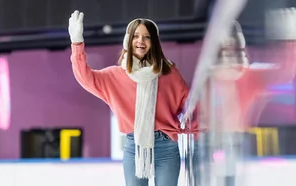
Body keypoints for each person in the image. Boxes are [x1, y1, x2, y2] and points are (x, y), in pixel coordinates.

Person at [67, 10, 198, 186]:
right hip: (134, 146)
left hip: (166, 146)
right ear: (128, 40)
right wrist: (77, 43)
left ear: (155, 42)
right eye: (136, 36)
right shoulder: (115, 76)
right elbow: (84, 76)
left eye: (147, 37)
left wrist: (198, 130)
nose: (140, 41)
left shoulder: (169, 72)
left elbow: (189, 106)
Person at [185, 7, 296, 186]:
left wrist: (289, 40)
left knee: (230, 178)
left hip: (234, 141)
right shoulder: (204, 78)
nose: (226, 55)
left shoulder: (247, 76)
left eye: (230, 49)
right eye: (221, 50)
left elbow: (283, 73)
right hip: (204, 142)